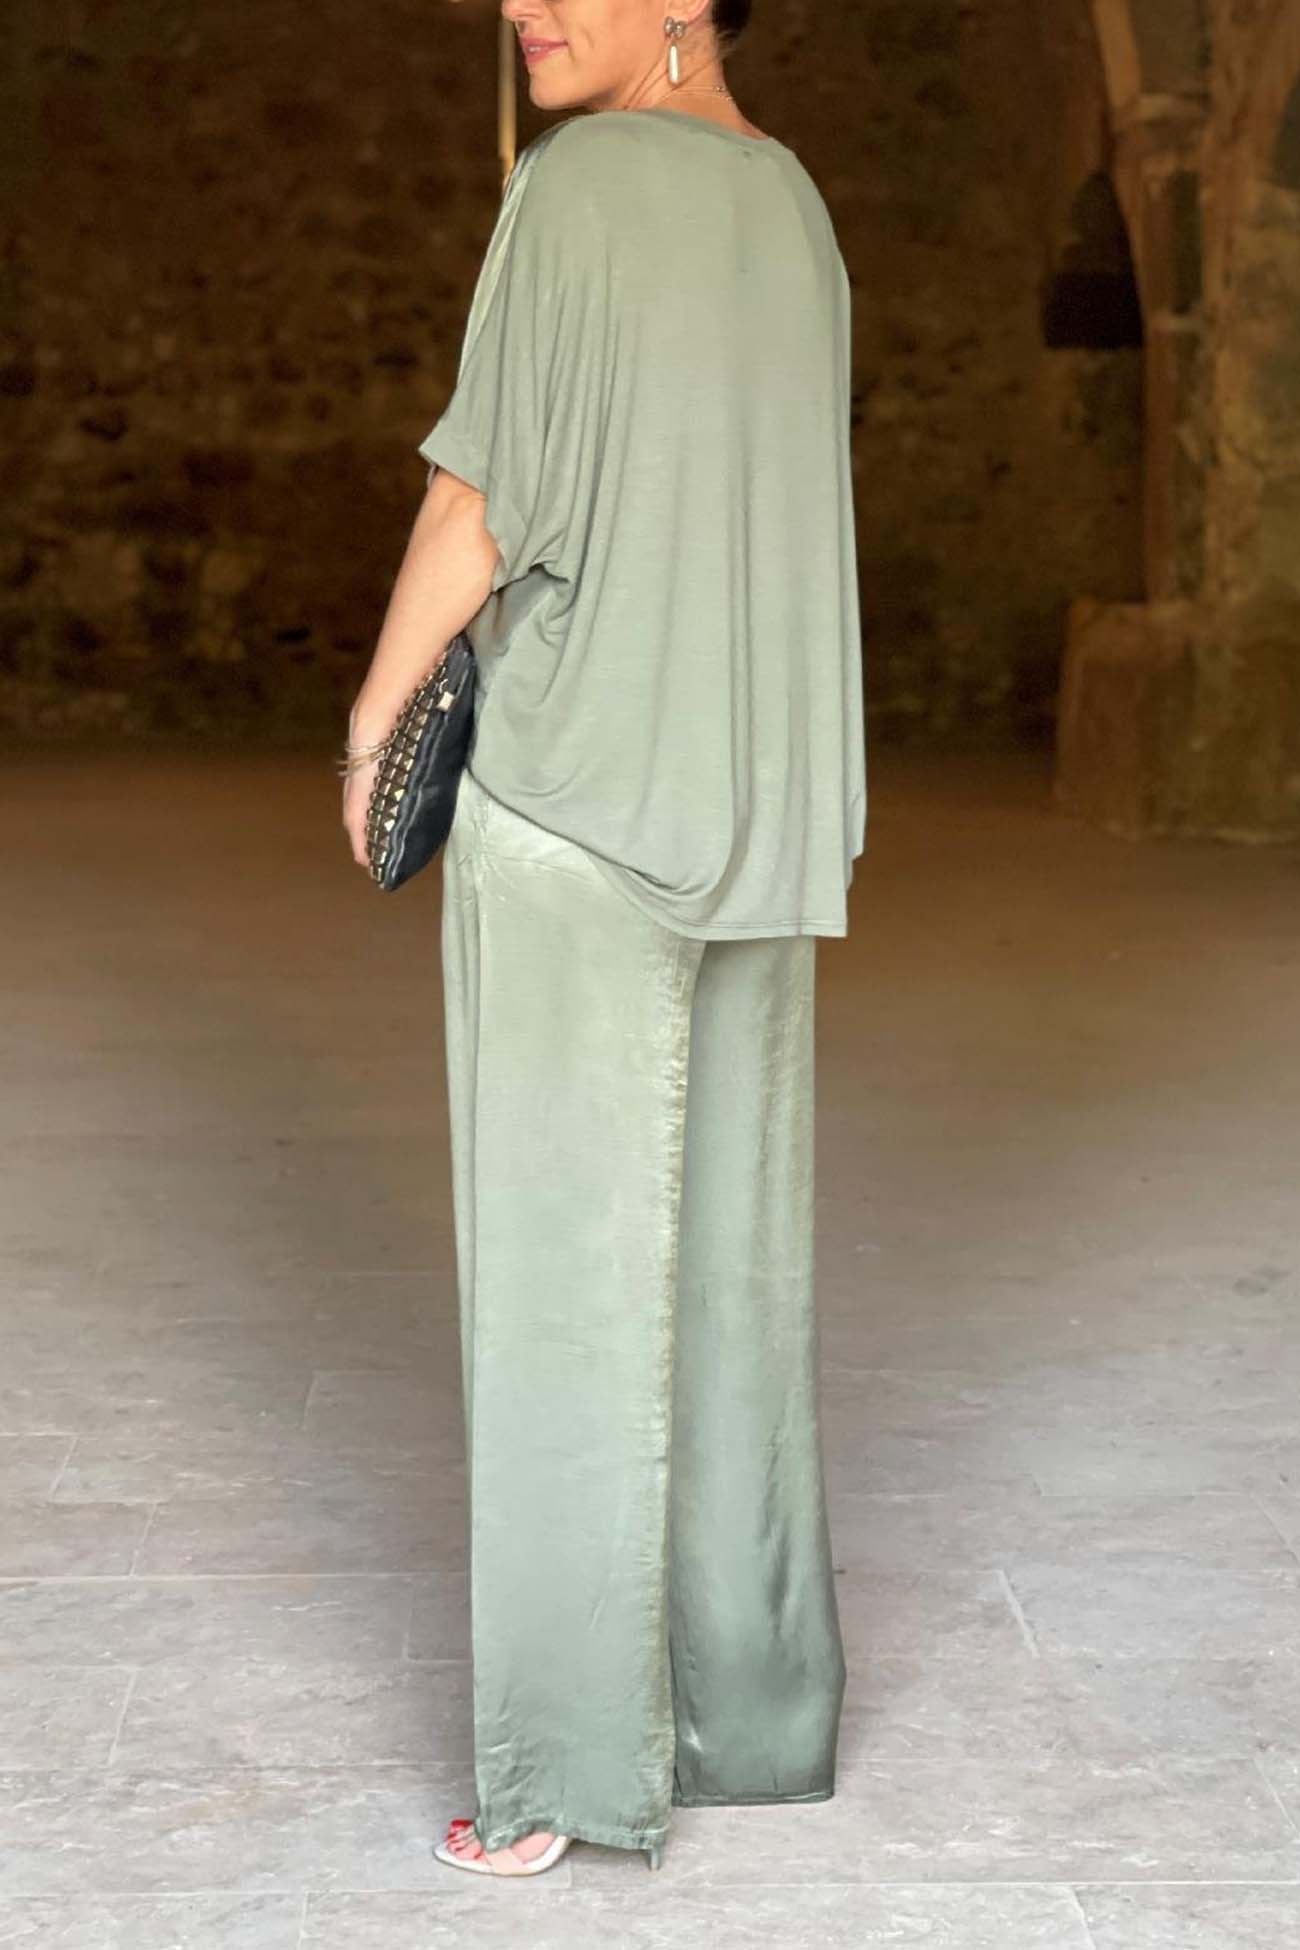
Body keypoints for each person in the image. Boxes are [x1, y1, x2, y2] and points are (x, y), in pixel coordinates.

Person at [341, 0, 866, 1882]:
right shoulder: (795, 206)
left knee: (565, 1302)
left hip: (579, 807)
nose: (522, 4)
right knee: (736, 1290)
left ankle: (562, 1763)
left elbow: (479, 496)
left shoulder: (572, 190)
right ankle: (753, 1715)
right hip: (760, 815)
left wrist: (373, 720)